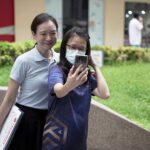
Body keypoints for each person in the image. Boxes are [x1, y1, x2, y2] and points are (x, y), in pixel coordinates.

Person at [42, 27, 110, 150]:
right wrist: (70, 84)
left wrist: (94, 65)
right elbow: (59, 91)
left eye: (81, 49)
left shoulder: (86, 76)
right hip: (56, 140)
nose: (76, 51)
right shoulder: (57, 70)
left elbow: (104, 94)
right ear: (64, 47)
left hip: (78, 140)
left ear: (86, 52)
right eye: (72, 47)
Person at [0, 13, 58, 150]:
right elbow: (9, 99)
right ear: (34, 35)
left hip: (51, 120)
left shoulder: (59, 60)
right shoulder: (24, 61)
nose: (49, 38)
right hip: (26, 121)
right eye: (43, 34)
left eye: (53, 33)